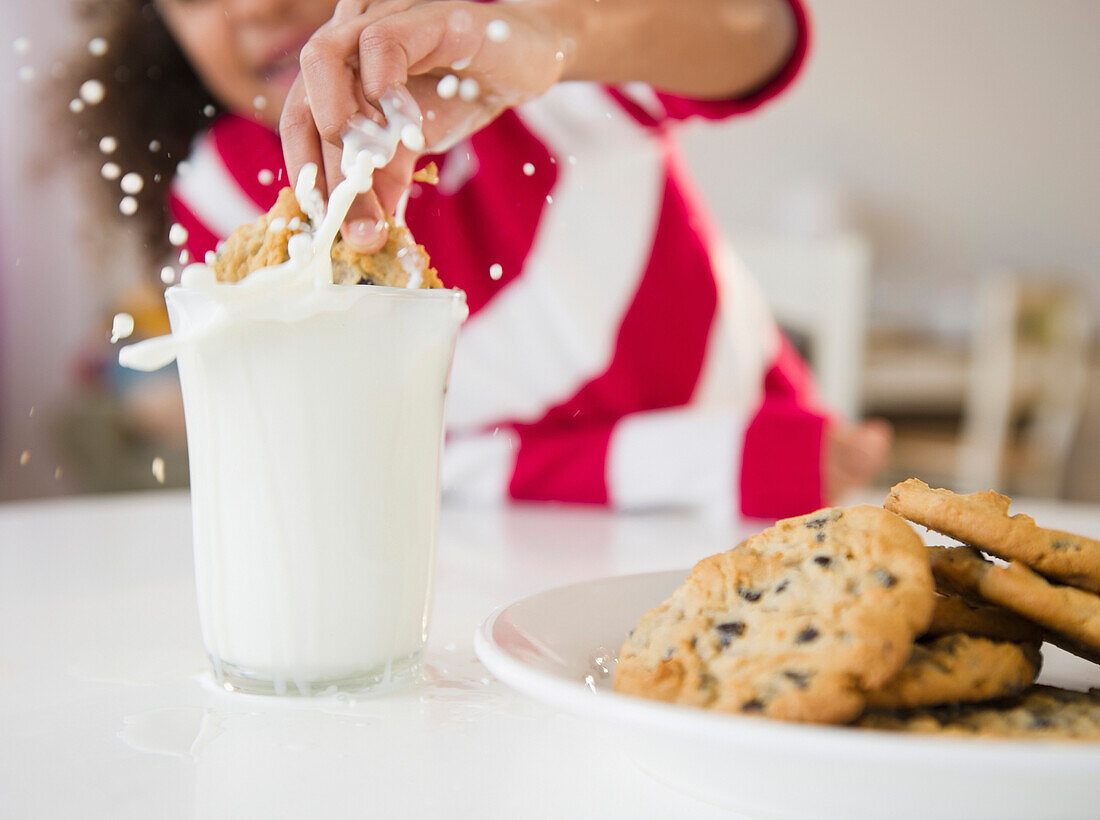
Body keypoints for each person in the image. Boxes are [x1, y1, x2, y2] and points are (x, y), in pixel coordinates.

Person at [64, 0, 890, 516]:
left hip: (772, 501)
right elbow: (378, 465)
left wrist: (554, 34)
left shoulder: (518, 52)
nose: (256, 3)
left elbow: (758, 30)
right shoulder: (221, 198)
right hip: (487, 574)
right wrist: (698, 461)